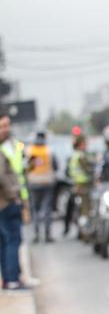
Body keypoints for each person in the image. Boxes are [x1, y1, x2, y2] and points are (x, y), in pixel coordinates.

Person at [0, 110, 28, 291]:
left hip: (9, 200)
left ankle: (9, 279)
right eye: (2, 126)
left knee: (5, 241)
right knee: (12, 240)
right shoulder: (2, 148)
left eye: (8, 125)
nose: (6, 129)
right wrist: (13, 196)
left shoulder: (13, 145)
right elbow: (2, 176)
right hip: (7, 201)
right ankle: (12, 280)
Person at [26, 131, 57, 243]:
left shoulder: (29, 150)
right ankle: (47, 234)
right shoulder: (49, 150)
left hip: (33, 183)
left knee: (35, 209)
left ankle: (36, 234)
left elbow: (26, 167)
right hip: (47, 183)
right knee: (47, 209)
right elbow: (55, 166)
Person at [64, 134, 94, 239]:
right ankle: (85, 233)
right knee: (86, 210)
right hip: (83, 186)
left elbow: (67, 172)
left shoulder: (73, 155)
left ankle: (78, 230)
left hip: (75, 185)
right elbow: (88, 170)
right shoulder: (81, 156)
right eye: (85, 144)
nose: (86, 146)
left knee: (78, 209)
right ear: (81, 144)